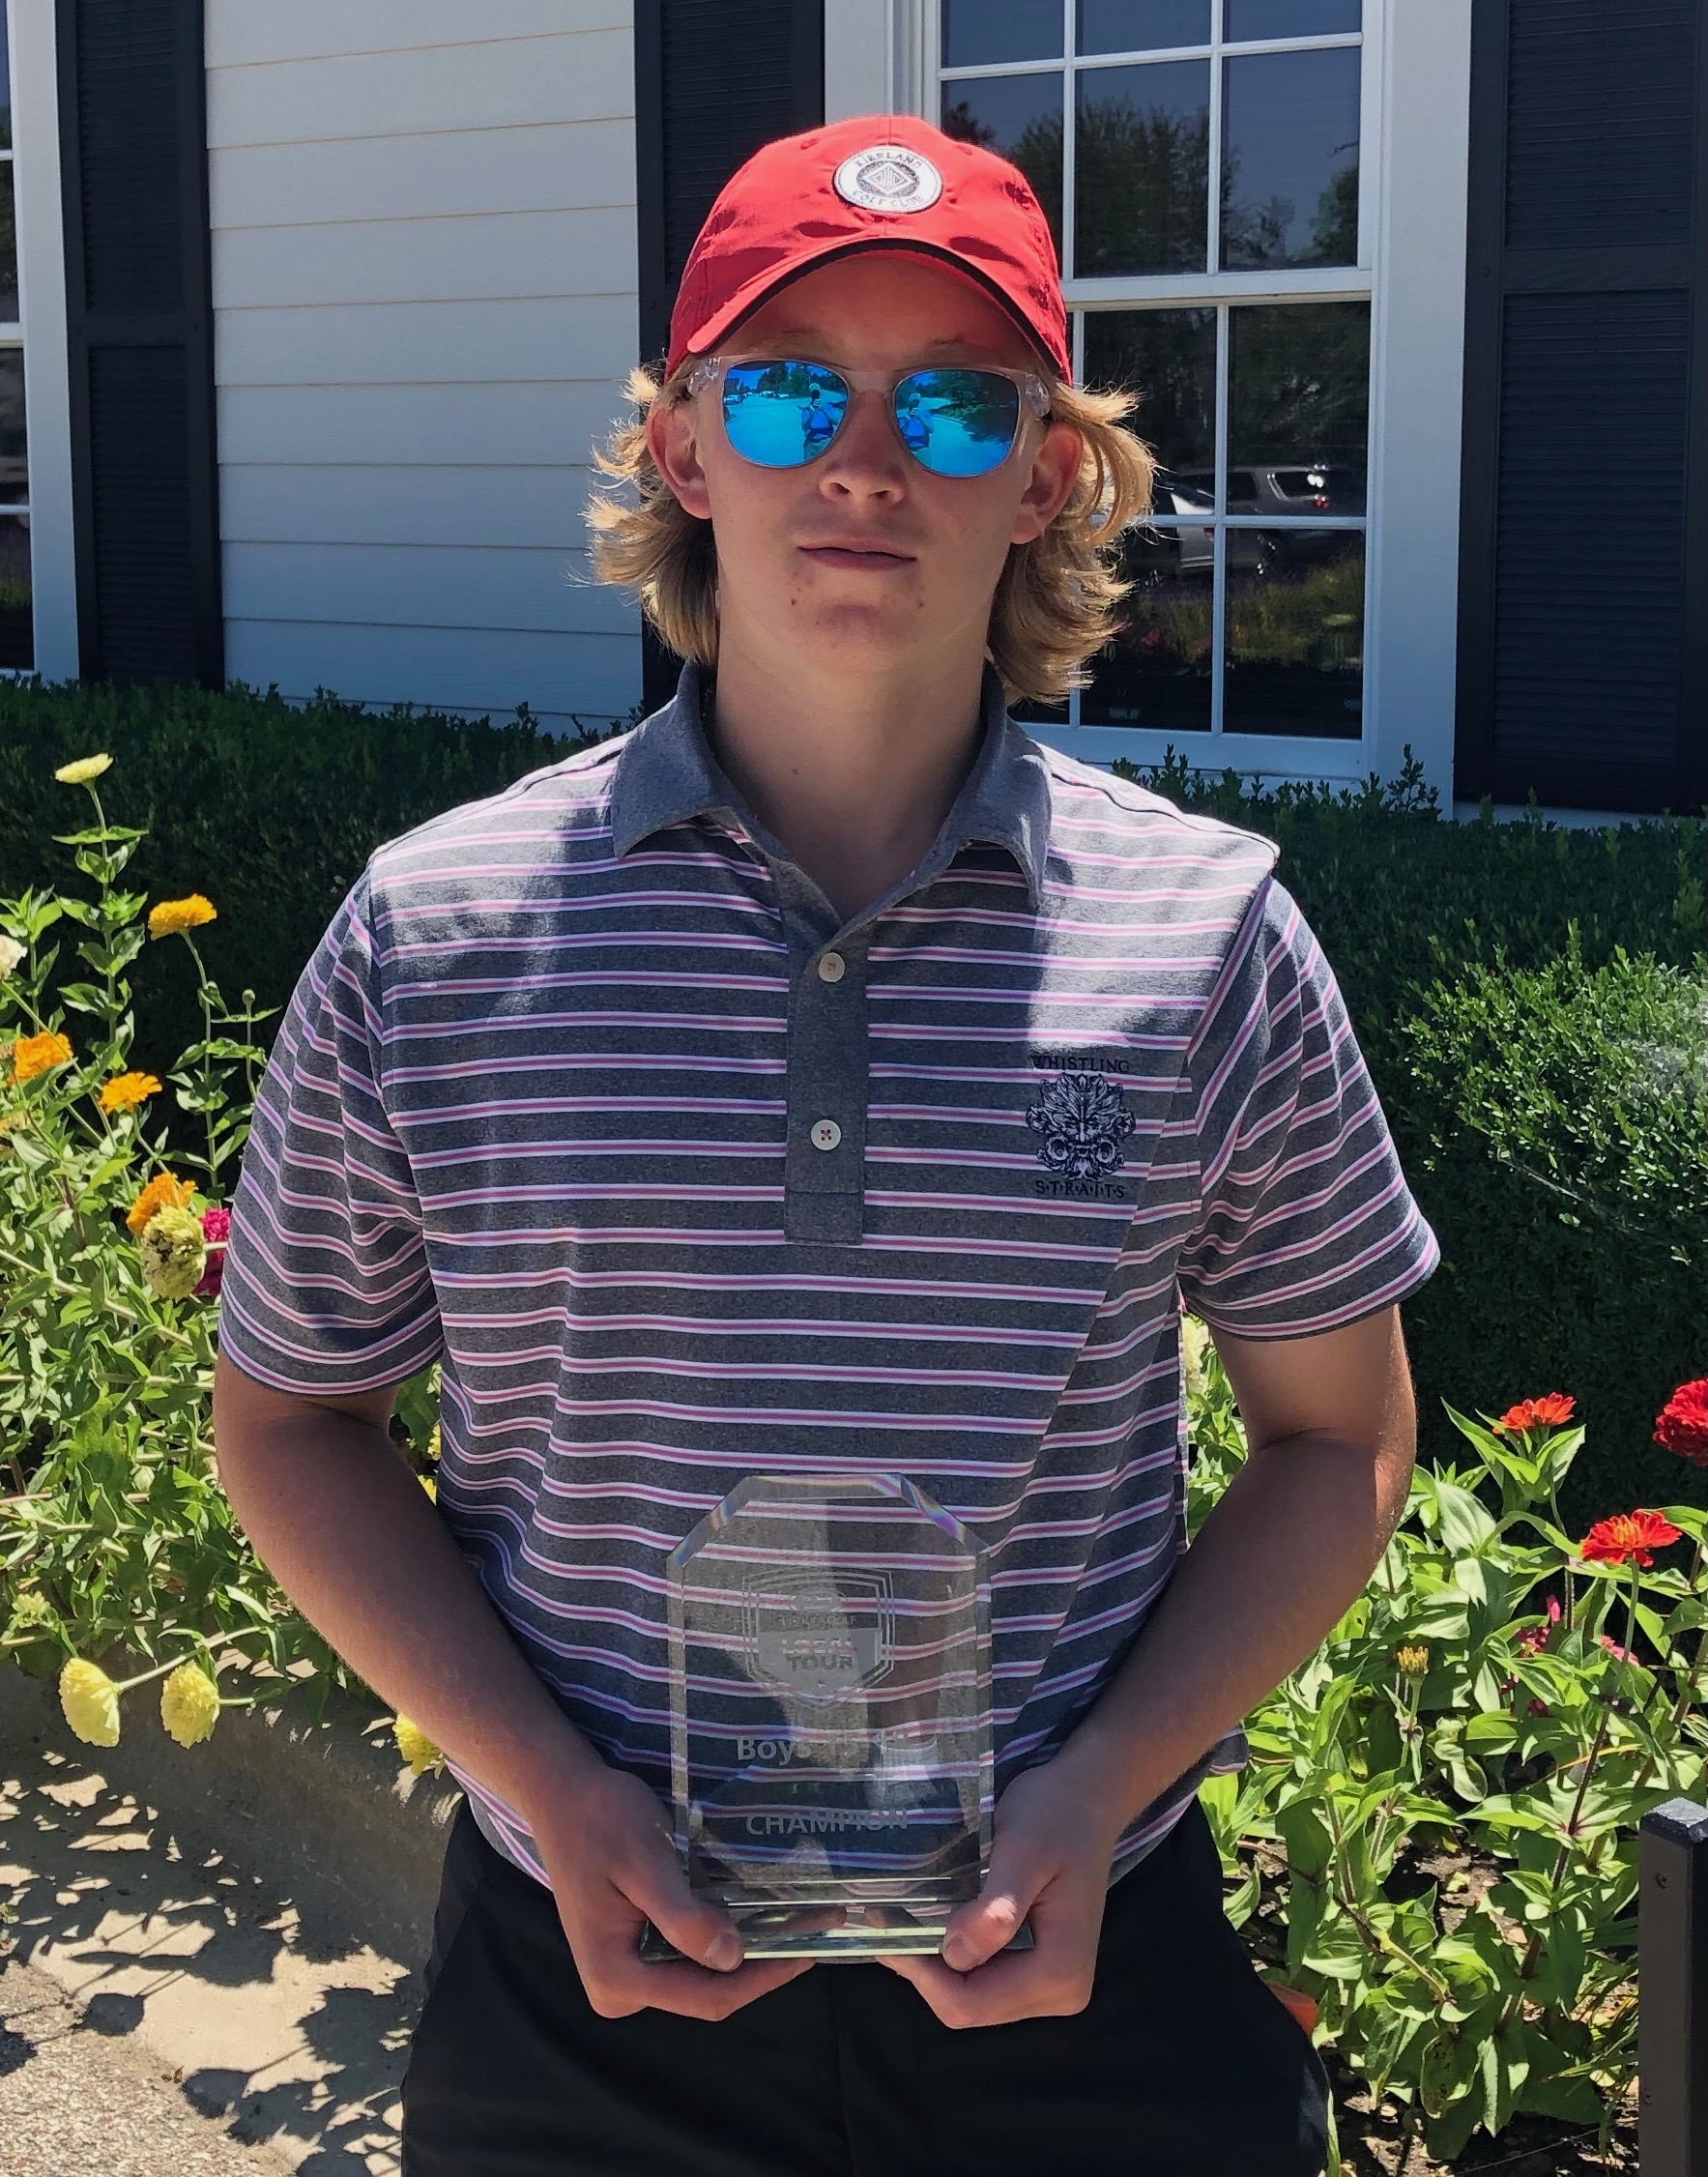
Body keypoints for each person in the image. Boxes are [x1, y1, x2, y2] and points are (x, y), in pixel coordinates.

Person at [212, 112, 1439, 2176]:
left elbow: (1338, 1439)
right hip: (585, 1996)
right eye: (787, 391)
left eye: (953, 406)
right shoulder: (440, 932)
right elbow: (291, 1421)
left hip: (1082, 1975)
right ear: (687, 452)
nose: (863, 460)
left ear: (1045, 475)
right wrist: (547, 1781)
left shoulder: (1205, 934)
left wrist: (1100, 1781)